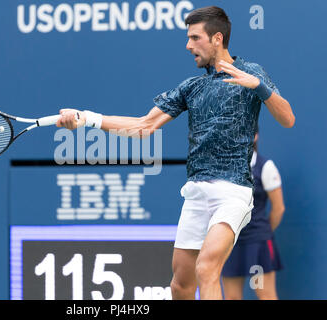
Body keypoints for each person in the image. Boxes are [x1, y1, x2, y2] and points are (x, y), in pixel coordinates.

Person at [56, 6, 295, 300]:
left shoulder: (251, 72)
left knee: (207, 269)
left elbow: (288, 119)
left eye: (195, 38)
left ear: (217, 38)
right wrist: (87, 118)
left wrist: (259, 87)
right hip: (196, 191)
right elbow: (145, 125)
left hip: (233, 191)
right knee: (181, 285)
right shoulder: (191, 86)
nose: (188, 45)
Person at [222, 131, 285, 300]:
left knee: (264, 295)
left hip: (257, 244)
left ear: (255, 136)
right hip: (229, 242)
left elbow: (278, 208)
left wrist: (261, 233)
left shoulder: (265, 166)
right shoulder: (224, 166)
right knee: (232, 297)